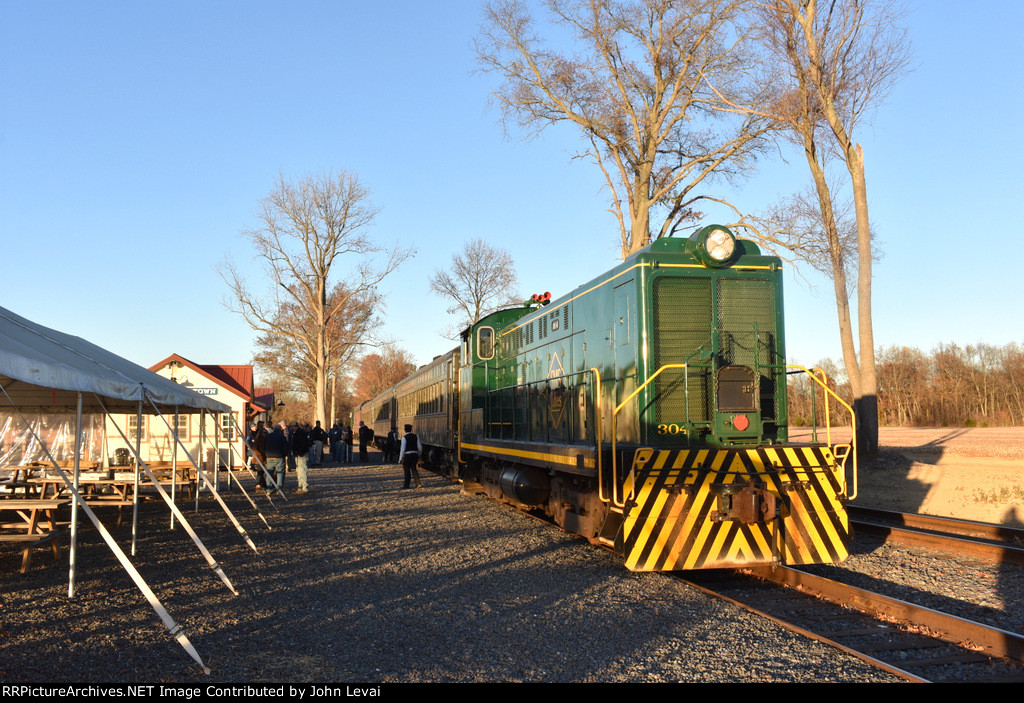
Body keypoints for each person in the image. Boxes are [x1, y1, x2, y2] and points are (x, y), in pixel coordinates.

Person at [264, 422, 290, 491]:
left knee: (269, 474)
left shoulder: (268, 436)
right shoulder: (282, 437)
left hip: (269, 457)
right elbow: (286, 447)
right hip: (279, 457)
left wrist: (266, 454)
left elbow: (264, 446)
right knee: (280, 473)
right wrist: (285, 454)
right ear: (280, 430)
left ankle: (269, 489)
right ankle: (279, 489)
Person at [398, 424, 423, 489]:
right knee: (414, 469)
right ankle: (418, 483)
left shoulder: (404, 438)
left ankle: (406, 485)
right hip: (415, 454)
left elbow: (402, 449)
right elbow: (419, 446)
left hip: (407, 455)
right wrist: (419, 454)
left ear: (405, 430)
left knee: (407, 470)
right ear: (411, 429)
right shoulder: (416, 436)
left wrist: (400, 459)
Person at [289, 421, 311, 494]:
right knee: (299, 470)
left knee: (302, 470)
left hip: (301, 455)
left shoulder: (299, 433)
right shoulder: (300, 432)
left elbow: (302, 444)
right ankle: (300, 486)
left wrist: (299, 452)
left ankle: (304, 487)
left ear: (293, 426)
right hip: (300, 454)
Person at [249, 420, 268, 492]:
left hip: (263, 459)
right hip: (258, 459)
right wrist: (261, 456)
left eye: (266, 432)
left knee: (262, 472)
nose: (265, 434)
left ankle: (262, 485)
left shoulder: (266, 440)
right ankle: (258, 485)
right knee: (260, 472)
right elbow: (255, 450)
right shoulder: (258, 440)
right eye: (264, 433)